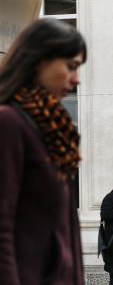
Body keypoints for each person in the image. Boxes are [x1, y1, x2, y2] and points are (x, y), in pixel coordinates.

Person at [0, 18, 86, 284]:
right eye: (70, 66)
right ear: (39, 61)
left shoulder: (53, 129)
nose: (77, 79)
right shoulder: (8, 123)